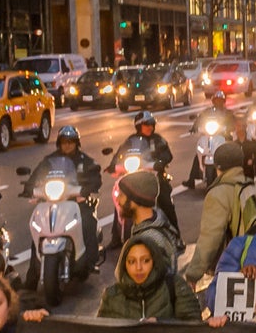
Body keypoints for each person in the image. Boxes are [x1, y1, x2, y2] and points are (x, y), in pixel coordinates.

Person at [23, 125, 101, 276]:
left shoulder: (85, 161)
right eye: (64, 141)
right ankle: (32, 274)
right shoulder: (49, 160)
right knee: (38, 228)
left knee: (88, 222)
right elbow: (36, 176)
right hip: (52, 201)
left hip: (76, 201)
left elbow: (95, 176)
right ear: (59, 143)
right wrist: (29, 188)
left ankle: (90, 261)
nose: (67, 144)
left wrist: (87, 188)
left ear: (77, 143)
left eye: (71, 141)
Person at [183, 143, 256, 286]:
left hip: (233, 265)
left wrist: (193, 273)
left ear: (217, 166)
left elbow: (210, 237)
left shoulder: (219, 193)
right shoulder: (251, 188)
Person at [108, 110, 179, 235]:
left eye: (151, 124)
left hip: (154, 178)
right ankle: (116, 236)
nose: (149, 127)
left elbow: (168, 155)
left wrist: (160, 162)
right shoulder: (130, 140)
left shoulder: (158, 140)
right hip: (133, 178)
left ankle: (175, 234)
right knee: (120, 200)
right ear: (138, 126)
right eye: (146, 124)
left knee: (166, 202)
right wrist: (113, 165)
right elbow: (119, 154)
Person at [98, 238, 201, 320]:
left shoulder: (175, 286)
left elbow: (193, 327)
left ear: (155, 261)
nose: (138, 268)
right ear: (124, 265)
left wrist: (161, 325)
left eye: (145, 260)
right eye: (132, 261)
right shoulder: (111, 296)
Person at [115, 170, 182, 275]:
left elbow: (152, 285)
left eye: (122, 195)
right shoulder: (151, 223)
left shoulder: (150, 239)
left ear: (136, 199)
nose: (118, 200)